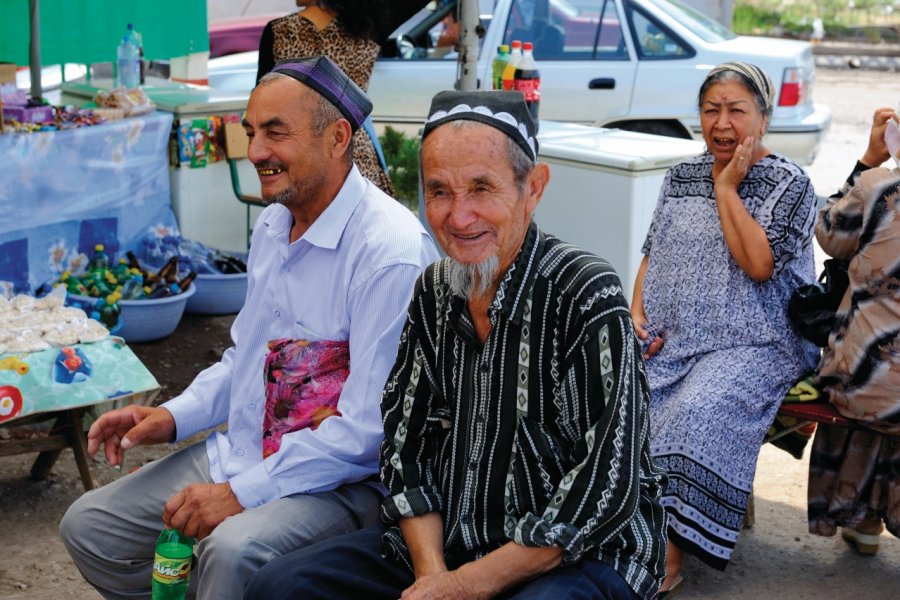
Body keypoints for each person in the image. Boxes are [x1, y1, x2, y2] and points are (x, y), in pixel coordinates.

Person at [245, 90, 669, 600]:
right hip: (453, 543)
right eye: (439, 191)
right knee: (281, 587)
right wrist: (432, 578)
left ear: (532, 188)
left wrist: (463, 587)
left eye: (482, 189)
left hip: (579, 557)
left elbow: (605, 484)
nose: (458, 216)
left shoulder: (584, 292)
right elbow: (406, 449)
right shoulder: (433, 291)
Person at [59, 56, 438, 600]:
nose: (256, 151)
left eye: (275, 132)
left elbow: (366, 435)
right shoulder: (273, 225)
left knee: (231, 551)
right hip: (243, 451)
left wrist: (239, 495)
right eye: (251, 132)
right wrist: (170, 416)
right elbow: (246, 361)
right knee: (91, 529)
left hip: (342, 483)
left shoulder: (389, 252)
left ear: (336, 138)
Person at [630, 61, 820, 593]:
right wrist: (637, 313)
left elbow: (758, 264)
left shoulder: (789, 184)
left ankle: (666, 556)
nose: (722, 122)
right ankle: (618, 534)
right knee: (616, 399)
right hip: (674, 338)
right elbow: (653, 254)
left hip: (757, 343)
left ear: (763, 117)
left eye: (736, 110)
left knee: (697, 411)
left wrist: (729, 188)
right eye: (711, 110)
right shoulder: (680, 176)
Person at [808, 106, 900, 554]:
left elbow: (829, 234)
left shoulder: (878, 185)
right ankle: (868, 520)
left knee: (869, 377)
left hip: (862, 384)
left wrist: (868, 159)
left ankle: (860, 518)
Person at [256, 0, 395, 196]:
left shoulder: (279, 31)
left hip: (297, 148)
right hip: (355, 150)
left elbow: (262, 102)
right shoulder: (366, 27)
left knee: (302, 221)